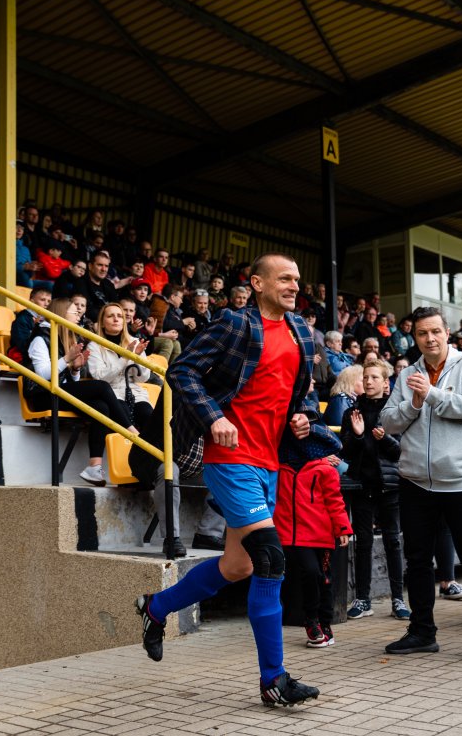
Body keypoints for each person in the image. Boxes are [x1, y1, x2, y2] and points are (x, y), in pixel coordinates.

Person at [135, 253, 322, 707]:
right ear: (257, 283)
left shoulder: (300, 332)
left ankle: (155, 608)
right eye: (284, 278)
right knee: (270, 558)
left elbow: (302, 393)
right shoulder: (235, 324)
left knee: (239, 566)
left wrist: (304, 416)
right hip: (229, 458)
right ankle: (273, 680)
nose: (294, 286)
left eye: (297, 280)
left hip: (269, 462)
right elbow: (181, 371)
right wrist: (214, 417)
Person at [380, 306, 462, 663]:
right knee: (418, 561)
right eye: (422, 333)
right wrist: (414, 404)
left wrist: (431, 394)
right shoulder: (408, 374)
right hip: (416, 481)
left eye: (435, 331)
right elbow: (388, 421)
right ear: (415, 337)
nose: (430, 339)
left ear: (447, 333)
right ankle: (422, 632)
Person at [23, 298, 134, 483]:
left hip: (58, 391)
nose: (79, 316)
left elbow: (69, 382)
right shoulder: (40, 338)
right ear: (61, 314)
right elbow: (42, 375)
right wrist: (66, 359)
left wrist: (75, 369)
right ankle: (131, 432)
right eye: (75, 313)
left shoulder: (66, 338)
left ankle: (94, 467)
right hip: (41, 395)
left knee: (101, 407)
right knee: (101, 386)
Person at [277, 415, 352, 649]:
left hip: (321, 536)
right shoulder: (279, 469)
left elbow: (335, 501)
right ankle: (312, 621)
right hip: (291, 536)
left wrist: (342, 528)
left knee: (324, 579)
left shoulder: (324, 469)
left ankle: (325, 624)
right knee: (311, 574)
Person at [341, 360, 407, 621]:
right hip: (362, 485)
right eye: (366, 377)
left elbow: (400, 451)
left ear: (385, 382)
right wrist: (358, 435)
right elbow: (346, 452)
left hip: (389, 485)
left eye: (374, 377)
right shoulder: (352, 412)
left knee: (393, 541)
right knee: (363, 543)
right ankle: (363, 599)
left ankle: (398, 599)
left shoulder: (394, 411)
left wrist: (385, 439)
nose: (369, 382)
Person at [87, 302, 153, 432]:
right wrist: (125, 357)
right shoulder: (94, 346)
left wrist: (137, 359)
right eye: (110, 316)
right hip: (111, 394)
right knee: (123, 413)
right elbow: (101, 378)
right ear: (102, 323)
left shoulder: (134, 342)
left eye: (119, 316)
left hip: (134, 392)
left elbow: (143, 378)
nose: (116, 319)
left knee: (148, 416)